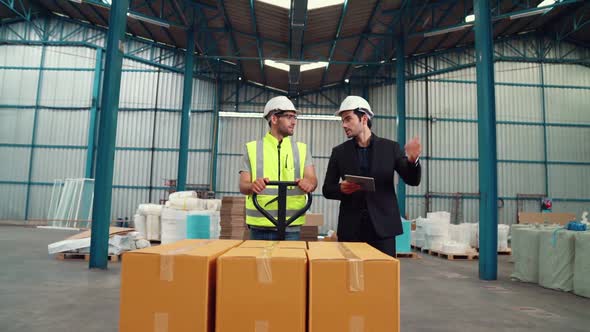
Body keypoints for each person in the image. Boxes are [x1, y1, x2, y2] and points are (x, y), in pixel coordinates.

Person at [322, 96, 422, 256]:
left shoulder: (390, 148)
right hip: (351, 229)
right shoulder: (339, 152)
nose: (344, 125)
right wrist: (341, 189)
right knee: (352, 278)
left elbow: (412, 180)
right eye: (342, 120)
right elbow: (327, 189)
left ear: (364, 118)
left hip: (383, 228)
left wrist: (412, 160)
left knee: (382, 278)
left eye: (348, 119)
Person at [239, 96, 317, 240]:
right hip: (260, 225)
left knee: (287, 263)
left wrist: (309, 184)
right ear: (274, 119)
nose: (294, 122)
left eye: (295, 117)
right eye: (289, 117)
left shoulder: (302, 149)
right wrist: (252, 186)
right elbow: (243, 185)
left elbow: (312, 179)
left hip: (291, 224)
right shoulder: (252, 149)